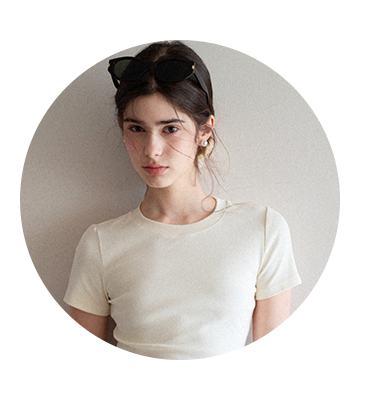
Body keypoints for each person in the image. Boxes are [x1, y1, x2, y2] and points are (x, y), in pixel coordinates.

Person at [63, 40, 301, 361]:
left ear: (204, 131)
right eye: (137, 128)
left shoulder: (261, 229)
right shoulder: (101, 243)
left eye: (170, 128)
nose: (151, 150)